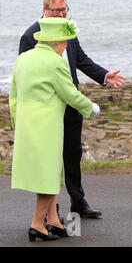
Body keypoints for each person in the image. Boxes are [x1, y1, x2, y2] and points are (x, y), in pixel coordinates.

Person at [19, 0, 126, 218]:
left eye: (63, 10)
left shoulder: (68, 30)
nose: (60, 15)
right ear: (44, 9)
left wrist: (104, 76)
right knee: (49, 159)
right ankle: (50, 210)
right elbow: (25, 73)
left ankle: (79, 203)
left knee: (73, 154)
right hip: (46, 107)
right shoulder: (31, 37)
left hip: (71, 103)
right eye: (56, 10)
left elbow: (81, 60)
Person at [10, 17, 101, 241]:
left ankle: (53, 220)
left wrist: (17, 122)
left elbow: (13, 96)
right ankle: (36, 225)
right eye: (65, 41)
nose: (67, 46)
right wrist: (91, 107)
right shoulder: (55, 62)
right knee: (48, 176)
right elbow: (69, 93)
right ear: (55, 42)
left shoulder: (23, 58)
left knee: (53, 172)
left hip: (27, 125)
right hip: (47, 127)